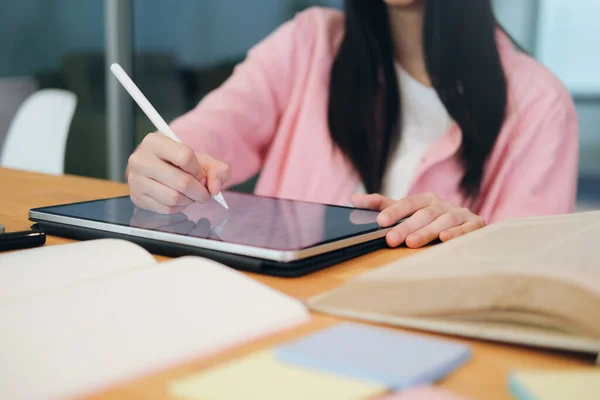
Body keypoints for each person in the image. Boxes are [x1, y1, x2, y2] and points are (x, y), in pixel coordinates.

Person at [126, 0, 579, 249]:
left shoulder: (541, 105)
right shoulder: (308, 42)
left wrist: (469, 239)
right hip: (278, 315)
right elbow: (202, 137)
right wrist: (163, 168)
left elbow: (531, 272)